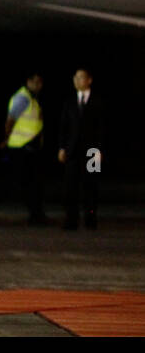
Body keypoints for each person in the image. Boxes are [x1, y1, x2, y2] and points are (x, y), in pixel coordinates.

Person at [0, 72, 47, 226]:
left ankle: (36, 214)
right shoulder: (23, 98)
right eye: (36, 82)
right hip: (20, 148)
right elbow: (10, 120)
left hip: (28, 148)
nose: (39, 86)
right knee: (17, 181)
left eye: (40, 83)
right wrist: (6, 138)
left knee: (29, 182)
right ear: (28, 82)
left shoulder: (32, 99)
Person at [59, 68, 104, 231]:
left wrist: (99, 150)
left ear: (89, 80)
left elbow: (101, 128)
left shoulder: (97, 102)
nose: (77, 81)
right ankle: (71, 218)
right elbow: (64, 127)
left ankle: (90, 217)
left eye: (81, 78)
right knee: (70, 185)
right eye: (75, 78)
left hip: (93, 152)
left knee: (91, 186)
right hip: (73, 151)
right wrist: (62, 147)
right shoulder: (70, 102)